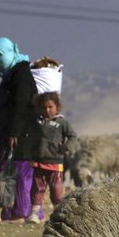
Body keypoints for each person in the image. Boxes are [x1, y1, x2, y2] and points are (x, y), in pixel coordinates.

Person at [0, 37, 38, 222]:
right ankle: (9, 211)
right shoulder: (11, 72)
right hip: (12, 133)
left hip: (22, 135)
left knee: (20, 173)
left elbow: (21, 105)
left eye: (0, 55)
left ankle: (21, 212)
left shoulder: (21, 73)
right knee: (9, 173)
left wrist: (14, 132)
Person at [28, 92, 77, 223]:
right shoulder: (36, 122)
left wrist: (64, 148)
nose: (47, 110)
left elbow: (73, 137)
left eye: (50, 107)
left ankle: (58, 214)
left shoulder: (62, 123)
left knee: (56, 189)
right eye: (44, 107)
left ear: (57, 107)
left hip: (55, 163)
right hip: (38, 162)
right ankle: (34, 214)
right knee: (37, 188)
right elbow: (29, 137)